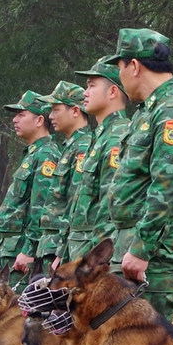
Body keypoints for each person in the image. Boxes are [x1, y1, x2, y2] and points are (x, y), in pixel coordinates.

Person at [105, 29, 173, 319]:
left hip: (155, 252)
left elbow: (168, 186)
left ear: (134, 66)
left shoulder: (172, 111)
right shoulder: (149, 111)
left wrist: (141, 248)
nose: (120, 78)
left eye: (120, 68)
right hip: (134, 243)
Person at [60, 57, 132, 264]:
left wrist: (98, 259)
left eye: (92, 86)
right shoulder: (98, 136)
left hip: (95, 252)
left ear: (112, 92)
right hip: (82, 246)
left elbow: (111, 205)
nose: (85, 92)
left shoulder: (118, 136)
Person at [0, 90, 59, 283]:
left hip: (24, 251)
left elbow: (42, 208)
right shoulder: (33, 154)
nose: (15, 120)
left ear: (39, 120)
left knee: (19, 309)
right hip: (14, 247)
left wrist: (29, 250)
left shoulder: (46, 154)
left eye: (21, 114)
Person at [33, 80, 93, 267]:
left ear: (75, 111)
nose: (50, 116)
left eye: (56, 109)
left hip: (64, 247)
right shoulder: (70, 146)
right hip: (53, 245)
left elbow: (76, 204)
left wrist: (62, 251)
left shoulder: (83, 147)